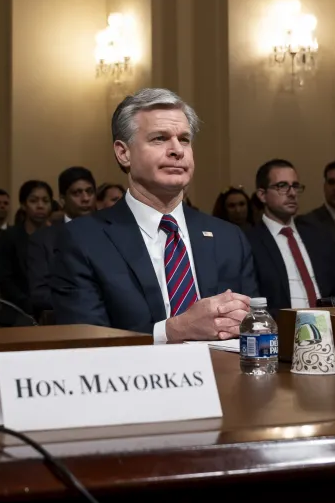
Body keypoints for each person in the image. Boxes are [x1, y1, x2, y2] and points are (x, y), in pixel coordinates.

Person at [50, 88, 257, 342]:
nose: (177, 150)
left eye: (184, 139)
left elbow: (254, 329)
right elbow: (86, 341)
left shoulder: (229, 238)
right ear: (123, 153)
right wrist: (173, 331)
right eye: (160, 138)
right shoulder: (83, 240)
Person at [246, 159, 335, 309]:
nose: (292, 193)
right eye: (282, 186)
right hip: (280, 328)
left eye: (295, 186)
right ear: (262, 195)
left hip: (328, 325)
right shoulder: (249, 242)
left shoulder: (318, 235)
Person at [27, 167, 97, 316]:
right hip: (66, 320)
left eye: (89, 192)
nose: (85, 198)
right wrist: (84, 303)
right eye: (77, 193)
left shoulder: (110, 233)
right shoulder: (43, 240)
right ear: (63, 200)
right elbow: (39, 294)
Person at [0, 180, 53, 313]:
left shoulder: (58, 236)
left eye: (45, 201)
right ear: (23, 205)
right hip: (18, 309)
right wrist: (29, 303)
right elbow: (5, 279)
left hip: (53, 307)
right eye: (34, 201)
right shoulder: (9, 236)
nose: (40, 206)